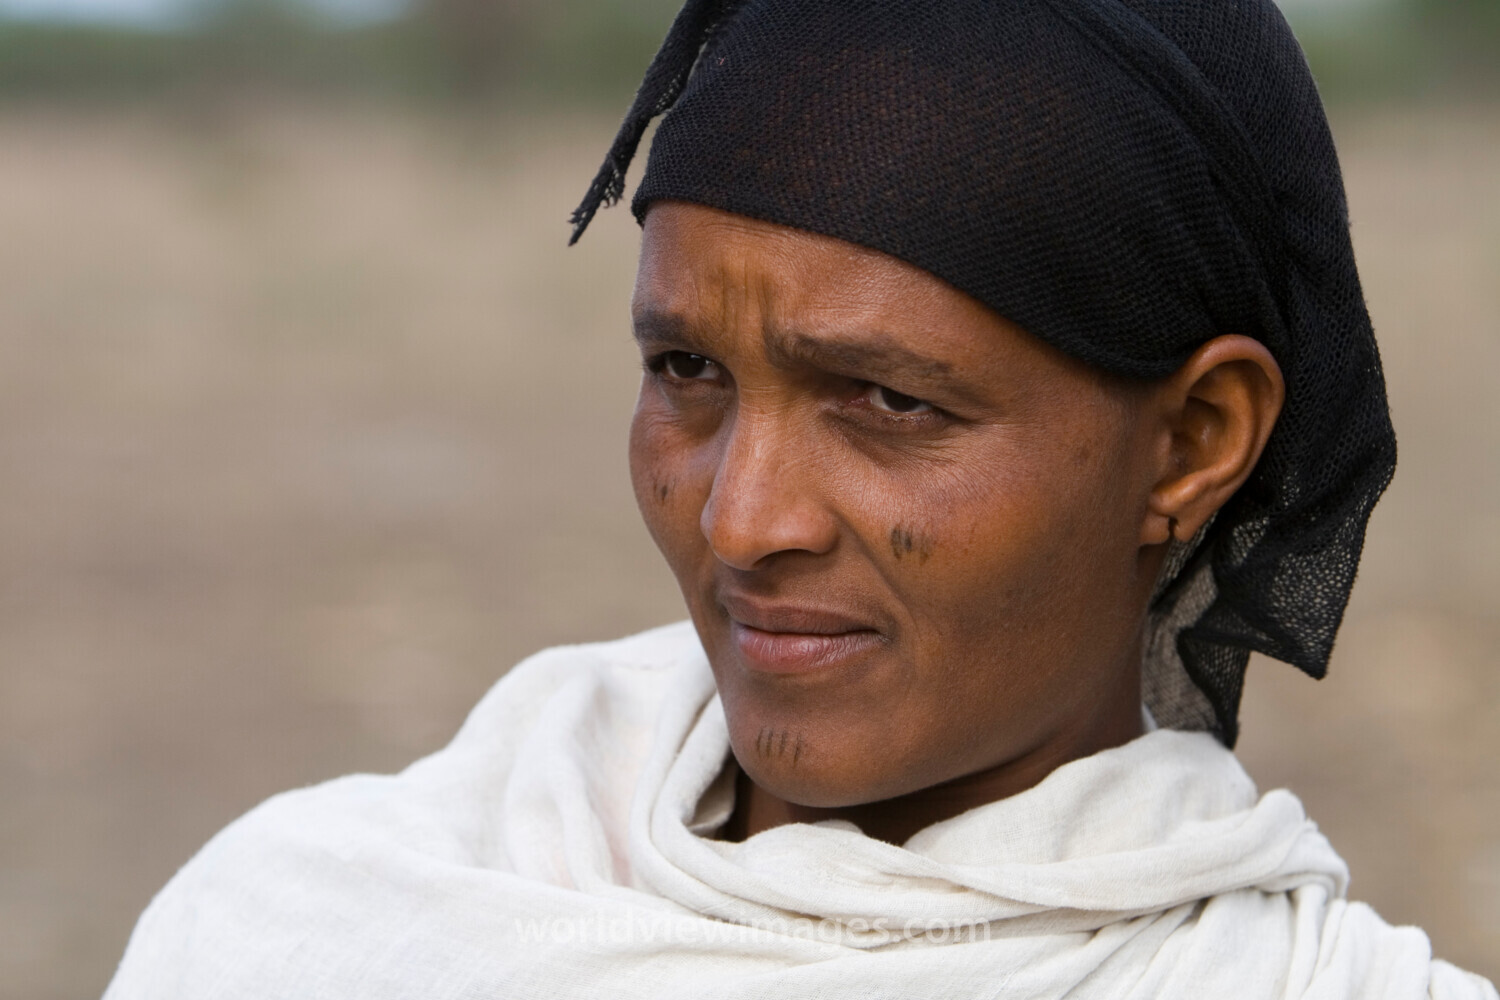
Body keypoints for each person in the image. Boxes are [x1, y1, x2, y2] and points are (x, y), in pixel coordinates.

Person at [105, 0, 1497, 997]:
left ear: (1195, 440)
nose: (740, 520)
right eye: (686, 369)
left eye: (891, 402)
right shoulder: (320, 918)